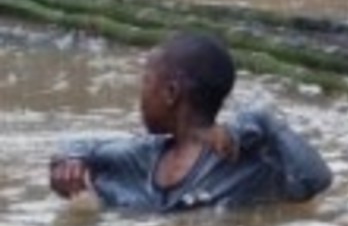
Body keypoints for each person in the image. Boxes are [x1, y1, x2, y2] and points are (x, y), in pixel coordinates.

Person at [49, 32, 333, 212]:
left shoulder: (243, 161)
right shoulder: (144, 154)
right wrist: (68, 162)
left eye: (146, 82)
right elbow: (81, 145)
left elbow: (316, 180)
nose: (141, 96)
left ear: (171, 93)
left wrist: (264, 121)